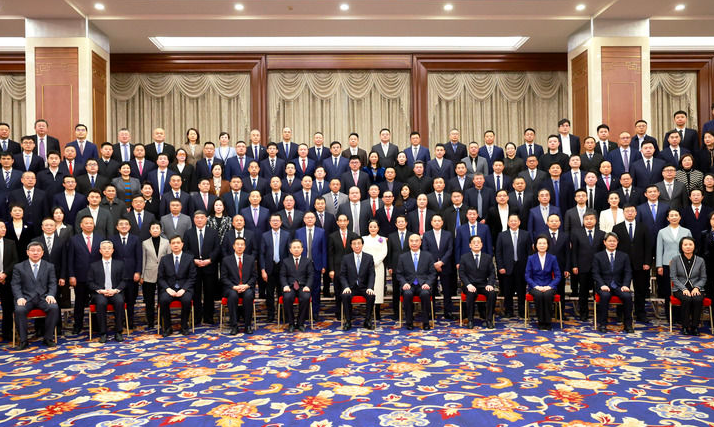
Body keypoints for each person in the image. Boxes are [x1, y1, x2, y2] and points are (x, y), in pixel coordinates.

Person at [11, 241, 59, 349]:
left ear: (42, 253)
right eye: (32, 250)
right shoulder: (19, 267)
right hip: (26, 298)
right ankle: (23, 340)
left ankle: (48, 338)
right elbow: (15, 284)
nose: (35, 253)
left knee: (54, 307)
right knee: (19, 310)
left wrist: (51, 294)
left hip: (43, 298)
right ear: (27, 252)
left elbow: (52, 283)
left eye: (38, 250)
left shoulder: (49, 266)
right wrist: (19, 297)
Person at [612, 204, 653, 322]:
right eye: (627, 211)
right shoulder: (617, 228)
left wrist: (647, 262)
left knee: (640, 290)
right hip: (622, 265)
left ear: (636, 213)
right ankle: (621, 313)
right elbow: (614, 246)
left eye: (632, 211)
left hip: (641, 264)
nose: (630, 213)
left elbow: (648, 246)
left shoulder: (643, 227)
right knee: (621, 289)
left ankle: (640, 313)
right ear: (623, 213)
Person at [183, 210, 221, 325]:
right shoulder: (188, 233)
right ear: (194, 219)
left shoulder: (213, 232)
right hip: (194, 267)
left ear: (206, 219)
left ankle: (209, 317)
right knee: (196, 293)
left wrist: (209, 260)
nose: (199, 220)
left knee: (210, 292)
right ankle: (197, 317)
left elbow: (217, 248)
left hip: (210, 267)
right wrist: (194, 260)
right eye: (197, 218)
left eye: (202, 217)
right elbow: (186, 249)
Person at [68, 215, 104, 335]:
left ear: (94, 225)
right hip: (80, 276)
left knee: (96, 301)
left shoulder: (100, 238)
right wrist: (71, 275)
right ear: (81, 225)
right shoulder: (74, 239)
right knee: (79, 302)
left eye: (91, 223)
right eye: (86, 223)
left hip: (97, 277)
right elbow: (70, 259)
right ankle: (78, 325)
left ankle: (96, 324)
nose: (89, 225)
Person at [592, 232, 634, 333]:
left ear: (617, 242)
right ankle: (603, 324)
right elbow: (595, 273)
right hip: (604, 286)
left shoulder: (624, 256)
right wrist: (602, 285)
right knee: (605, 296)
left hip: (619, 285)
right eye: (610, 241)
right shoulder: (598, 256)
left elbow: (628, 272)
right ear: (604, 242)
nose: (612, 243)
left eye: (614, 241)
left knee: (627, 296)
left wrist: (625, 285)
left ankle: (628, 325)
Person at [87, 240, 126, 343]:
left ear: (112, 250)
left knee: (119, 301)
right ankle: (103, 333)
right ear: (100, 251)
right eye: (104, 248)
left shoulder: (120, 264)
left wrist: (115, 290)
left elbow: (124, 280)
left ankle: (119, 332)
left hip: (115, 291)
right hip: (100, 293)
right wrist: (101, 290)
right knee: (101, 302)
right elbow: (90, 282)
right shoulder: (93, 265)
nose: (107, 250)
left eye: (109, 248)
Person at [395, 234, 436, 330]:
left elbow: (433, 273)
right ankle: (409, 322)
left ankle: (426, 322)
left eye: (416, 241)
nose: (414, 243)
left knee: (425, 294)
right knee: (407, 294)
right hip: (409, 285)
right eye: (411, 241)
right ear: (408, 242)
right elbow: (399, 274)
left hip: (423, 285)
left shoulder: (428, 256)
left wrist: (428, 283)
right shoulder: (403, 257)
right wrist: (404, 283)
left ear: (420, 242)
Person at [656, 209, 692, 317]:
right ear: (668, 218)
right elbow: (659, 249)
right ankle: (670, 315)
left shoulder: (686, 231)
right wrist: (659, 266)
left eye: (676, 215)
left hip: (683, 264)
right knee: (668, 290)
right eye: (671, 215)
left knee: (683, 289)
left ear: (680, 217)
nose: (674, 217)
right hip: (667, 264)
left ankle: (682, 315)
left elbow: (691, 247)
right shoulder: (662, 232)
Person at [158, 235, 196, 336]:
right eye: (173, 243)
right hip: (169, 288)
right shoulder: (164, 259)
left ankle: (184, 326)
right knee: (163, 300)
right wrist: (167, 289)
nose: (176, 245)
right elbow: (160, 278)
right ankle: (167, 327)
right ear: (170, 245)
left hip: (184, 289)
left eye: (178, 243)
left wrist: (184, 289)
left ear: (182, 244)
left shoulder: (189, 258)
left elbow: (192, 277)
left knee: (186, 300)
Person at [571, 210, 605, 321]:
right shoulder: (576, 233)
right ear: (583, 221)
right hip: (582, 266)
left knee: (599, 291)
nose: (589, 221)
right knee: (583, 292)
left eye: (591, 219)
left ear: (596, 220)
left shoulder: (602, 234)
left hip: (598, 268)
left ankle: (599, 312)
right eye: (586, 219)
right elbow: (574, 251)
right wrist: (574, 265)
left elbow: (603, 253)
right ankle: (583, 313)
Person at [496, 214, 532, 318]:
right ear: (508, 223)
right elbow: (498, 253)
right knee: (507, 291)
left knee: (521, 290)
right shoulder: (502, 235)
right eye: (511, 221)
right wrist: (500, 266)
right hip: (507, 267)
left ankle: (522, 311)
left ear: (519, 222)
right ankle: (508, 311)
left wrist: (529, 267)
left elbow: (529, 252)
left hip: (522, 267)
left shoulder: (526, 234)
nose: (513, 222)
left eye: (515, 220)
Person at [109, 218, 142, 329]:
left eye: (126, 224)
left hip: (132, 274)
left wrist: (138, 271)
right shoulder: (111, 239)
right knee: (118, 300)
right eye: (121, 224)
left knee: (131, 299)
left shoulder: (136, 239)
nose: (124, 226)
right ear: (117, 227)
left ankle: (130, 321)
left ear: (129, 227)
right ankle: (119, 321)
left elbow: (139, 257)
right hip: (117, 275)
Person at [671, 236, 707, 336]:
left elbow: (703, 277)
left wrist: (697, 287)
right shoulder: (675, 259)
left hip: (696, 288)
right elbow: (673, 277)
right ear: (681, 247)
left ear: (694, 246)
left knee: (697, 299)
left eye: (690, 244)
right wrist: (683, 289)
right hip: (680, 288)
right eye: (685, 244)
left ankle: (695, 327)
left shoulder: (700, 260)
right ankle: (685, 326)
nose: (688, 247)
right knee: (686, 299)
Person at [294, 212, 327, 319]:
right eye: (307, 218)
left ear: (315, 219)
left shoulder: (321, 231)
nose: (309, 219)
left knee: (316, 289)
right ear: (304, 219)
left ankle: (315, 312)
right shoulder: (298, 232)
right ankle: (305, 312)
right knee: (303, 289)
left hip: (316, 264)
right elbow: (296, 248)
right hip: (302, 265)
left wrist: (324, 265)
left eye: (311, 217)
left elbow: (324, 250)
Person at [459, 235, 497, 328]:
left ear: (482, 244)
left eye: (478, 242)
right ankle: (470, 320)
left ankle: (489, 320)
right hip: (469, 285)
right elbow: (462, 274)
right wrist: (468, 284)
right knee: (471, 293)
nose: (476, 244)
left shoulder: (487, 257)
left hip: (483, 284)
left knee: (492, 293)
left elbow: (492, 273)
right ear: (470, 245)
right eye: (474, 242)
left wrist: (490, 284)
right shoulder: (464, 257)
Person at [221, 237, 257, 335]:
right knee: (232, 295)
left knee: (248, 295)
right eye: (237, 244)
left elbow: (254, 276)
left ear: (245, 247)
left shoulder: (250, 259)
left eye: (242, 245)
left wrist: (247, 285)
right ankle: (234, 326)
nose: (240, 246)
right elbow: (223, 278)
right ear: (234, 246)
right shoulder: (226, 260)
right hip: (232, 288)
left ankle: (247, 325)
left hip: (246, 287)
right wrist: (234, 287)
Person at [339, 236, 376, 330]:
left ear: (362, 245)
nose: (357, 246)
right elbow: (342, 275)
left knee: (371, 296)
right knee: (345, 295)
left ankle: (367, 320)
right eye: (354, 244)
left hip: (364, 287)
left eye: (359, 243)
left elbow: (372, 274)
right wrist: (346, 287)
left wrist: (370, 287)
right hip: (351, 287)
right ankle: (348, 321)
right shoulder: (346, 258)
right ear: (351, 246)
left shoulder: (369, 257)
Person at [422, 215, 455, 319]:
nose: (437, 222)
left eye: (439, 221)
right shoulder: (426, 235)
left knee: (447, 290)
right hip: (431, 267)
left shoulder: (448, 234)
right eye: (435, 221)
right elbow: (425, 250)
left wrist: (441, 262)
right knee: (431, 290)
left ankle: (448, 312)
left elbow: (450, 249)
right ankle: (431, 312)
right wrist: (434, 264)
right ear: (431, 222)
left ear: (442, 222)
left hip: (445, 265)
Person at [524, 235, 560, 330]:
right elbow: (527, 276)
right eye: (540, 243)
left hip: (549, 286)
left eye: (544, 243)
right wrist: (536, 286)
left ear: (548, 245)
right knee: (539, 295)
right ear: (536, 245)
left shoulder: (553, 258)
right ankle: (541, 321)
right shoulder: (531, 258)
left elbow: (558, 276)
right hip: (535, 286)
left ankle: (547, 322)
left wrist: (550, 286)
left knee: (547, 295)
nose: (542, 245)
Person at [280, 239, 314, 332]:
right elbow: (282, 275)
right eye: (294, 247)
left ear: (302, 249)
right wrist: (285, 285)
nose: (296, 249)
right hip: (290, 286)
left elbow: (311, 275)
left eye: (298, 247)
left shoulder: (307, 261)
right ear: (290, 250)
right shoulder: (285, 261)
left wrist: (308, 286)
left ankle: (300, 323)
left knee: (306, 297)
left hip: (303, 286)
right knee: (287, 297)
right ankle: (291, 323)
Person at [141, 222, 170, 327]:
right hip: (149, 274)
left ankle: (162, 320)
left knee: (162, 299)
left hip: (164, 274)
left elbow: (169, 259)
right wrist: (142, 275)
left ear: (161, 230)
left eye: (157, 228)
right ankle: (150, 321)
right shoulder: (145, 243)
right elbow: (143, 259)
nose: (155, 230)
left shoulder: (166, 242)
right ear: (150, 231)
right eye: (153, 228)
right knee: (149, 299)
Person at [361, 219, 388, 320]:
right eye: (371, 227)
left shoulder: (382, 239)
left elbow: (384, 252)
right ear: (368, 228)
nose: (373, 229)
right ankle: (368, 310)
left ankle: (377, 310)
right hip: (366, 267)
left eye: (375, 227)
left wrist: (375, 262)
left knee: (378, 288)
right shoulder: (363, 239)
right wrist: (368, 263)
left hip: (378, 266)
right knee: (369, 287)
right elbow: (361, 251)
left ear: (378, 228)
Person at [0, 222, 19, 342]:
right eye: (0, 228)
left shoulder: (10, 243)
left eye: (4, 227)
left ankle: (7, 333)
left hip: (6, 280)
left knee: (8, 308)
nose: (3, 229)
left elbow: (15, 261)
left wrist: (4, 274)